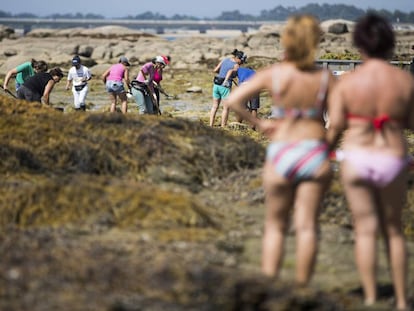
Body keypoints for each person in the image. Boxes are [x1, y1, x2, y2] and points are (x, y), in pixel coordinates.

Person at [226, 14, 335, 286]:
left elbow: (233, 100)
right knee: (307, 226)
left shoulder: (274, 73)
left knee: (275, 226)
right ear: (314, 43)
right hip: (313, 150)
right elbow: (342, 118)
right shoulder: (325, 77)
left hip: (282, 149)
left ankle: (271, 290)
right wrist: (329, 141)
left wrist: (260, 123)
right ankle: (301, 290)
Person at [326, 13, 413, 310]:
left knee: (364, 229)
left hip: (357, 156)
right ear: (390, 45)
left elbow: (335, 126)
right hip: (392, 156)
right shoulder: (404, 81)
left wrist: (322, 152)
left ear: (359, 46)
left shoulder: (348, 82)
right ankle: (402, 301)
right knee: (393, 229)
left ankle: (372, 297)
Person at [209, 49, 245, 127]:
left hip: (216, 84)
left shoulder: (225, 60)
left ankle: (210, 125)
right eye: (241, 60)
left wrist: (222, 73)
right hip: (225, 86)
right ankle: (223, 126)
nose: (242, 63)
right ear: (238, 58)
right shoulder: (236, 65)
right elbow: (233, 75)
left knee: (214, 106)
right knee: (226, 108)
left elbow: (215, 70)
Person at [234, 59, 260, 129]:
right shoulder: (254, 72)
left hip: (244, 86)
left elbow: (233, 75)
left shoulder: (240, 69)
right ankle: (253, 127)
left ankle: (238, 123)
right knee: (254, 108)